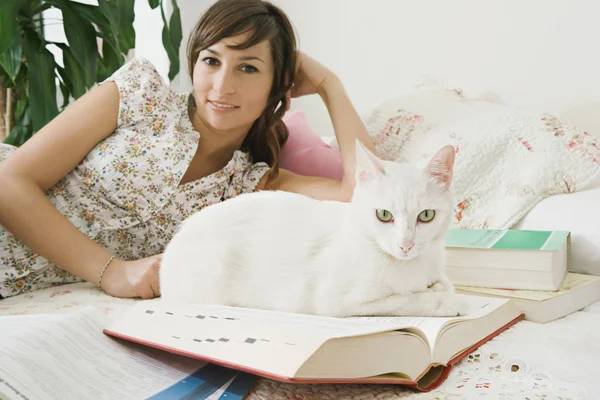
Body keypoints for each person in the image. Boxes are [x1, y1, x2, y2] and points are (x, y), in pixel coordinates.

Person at [0, 0, 375, 300]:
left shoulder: (251, 184)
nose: (222, 85)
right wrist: (111, 271)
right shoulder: (139, 94)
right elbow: (11, 181)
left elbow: (367, 198)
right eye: (211, 61)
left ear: (277, 86)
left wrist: (330, 85)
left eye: (248, 68)